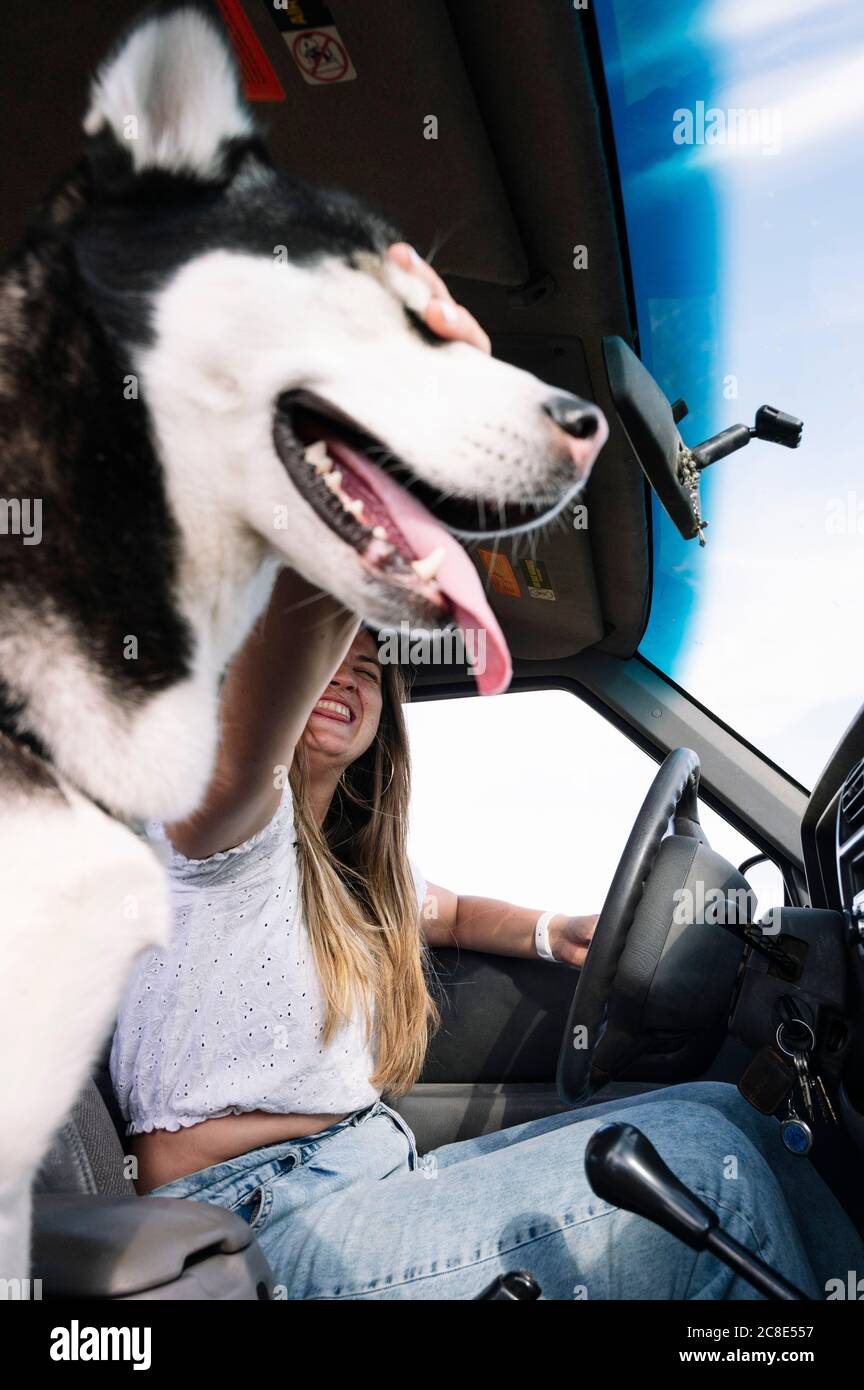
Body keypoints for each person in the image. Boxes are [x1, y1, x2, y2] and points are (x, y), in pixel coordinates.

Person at [109, 248, 863, 1300]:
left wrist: (549, 930)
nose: (348, 673)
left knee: (732, 1117)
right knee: (711, 1175)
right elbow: (252, 731)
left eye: (370, 663)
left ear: (389, 727)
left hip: (366, 1173)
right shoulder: (211, 825)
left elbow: (447, 907)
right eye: (334, 653)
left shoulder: (339, 872)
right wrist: (376, 470)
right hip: (256, 1225)